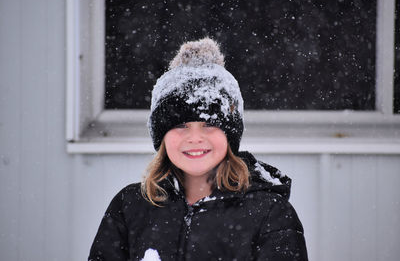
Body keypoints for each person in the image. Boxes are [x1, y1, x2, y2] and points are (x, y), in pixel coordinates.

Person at [88, 38, 308, 261]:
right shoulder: (130, 206)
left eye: (209, 124)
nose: (194, 138)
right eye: (181, 125)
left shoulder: (270, 214)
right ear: (162, 137)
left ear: (230, 136)